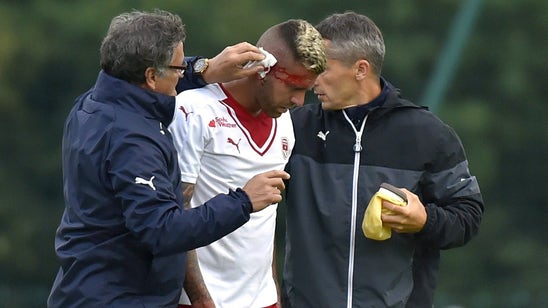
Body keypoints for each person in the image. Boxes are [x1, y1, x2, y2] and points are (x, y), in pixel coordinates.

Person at [47, 9, 290, 307]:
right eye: (178, 68)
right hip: (120, 297)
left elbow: (148, 81)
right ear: (151, 76)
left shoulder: (94, 101)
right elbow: (162, 231)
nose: (180, 75)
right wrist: (243, 201)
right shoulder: (131, 141)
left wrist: (203, 70)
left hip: (85, 286)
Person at [281, 11, 484, 308]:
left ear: (360, 69)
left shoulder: (428, 134)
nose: (312, 81)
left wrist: (424, 220)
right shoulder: (294, 128)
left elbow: (468, 216)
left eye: (322, 69)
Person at [168, 19, 326, 308]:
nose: (300, 101)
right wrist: (201, 299)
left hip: (262, 300)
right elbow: (175, 214)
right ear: (262, 70)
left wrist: (273, 296)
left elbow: (266, 219)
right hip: (199, 301)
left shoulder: (285, 123)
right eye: (293, 86)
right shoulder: (194, 110)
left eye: (308, 90)